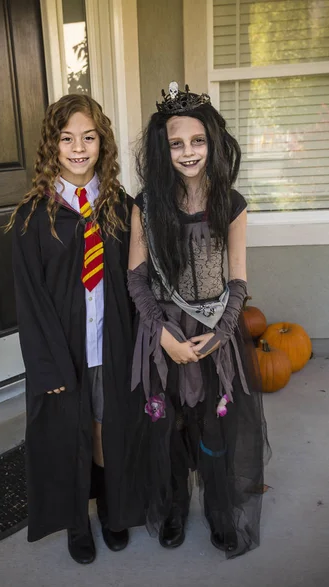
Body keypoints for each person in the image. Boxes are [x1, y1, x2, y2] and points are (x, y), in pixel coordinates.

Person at [127, 82, 271, 558]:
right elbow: (137, 281)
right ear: (162, 148)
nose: (188, 152)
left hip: (215, 333)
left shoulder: (231, 203)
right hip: (163, 335)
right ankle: (172, 506)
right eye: (176, 143)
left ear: (212, 141)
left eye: (197, 141)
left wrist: (220, 335)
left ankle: (217, 508)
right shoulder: (146, 206)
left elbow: (238, 282)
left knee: (213, 427)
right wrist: (164, 336)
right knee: (169, 427)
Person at [7, 94, 142, 564]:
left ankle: (110, 508)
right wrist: (46, 365)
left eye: (89, 137)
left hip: (110, 345)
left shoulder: (122, 209)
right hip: (63, 350)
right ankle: (76, 521)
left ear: (102, 143)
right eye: (68, 139)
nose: (79, 148)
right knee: (69, 435)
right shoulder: (32, 217)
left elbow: (136, 284)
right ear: (53, 146)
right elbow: (30, 300)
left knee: (106, 426)